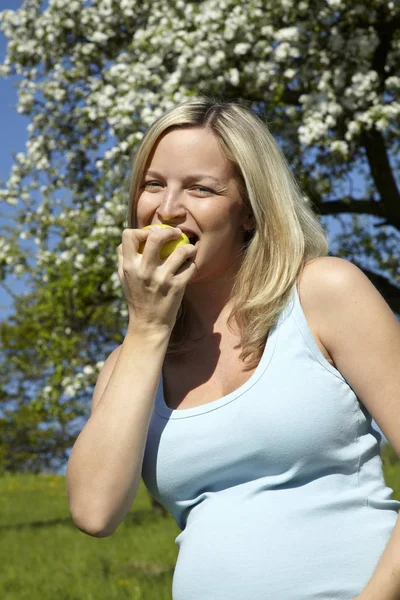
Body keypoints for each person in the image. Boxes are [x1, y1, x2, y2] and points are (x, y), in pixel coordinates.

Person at [66, 98, 400, 600]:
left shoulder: (324, 294)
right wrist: (146, 330)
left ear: (248, 212)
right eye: (153, 184)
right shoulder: (129, 363)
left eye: (200, 188)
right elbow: (94, 511)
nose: (168, 208)